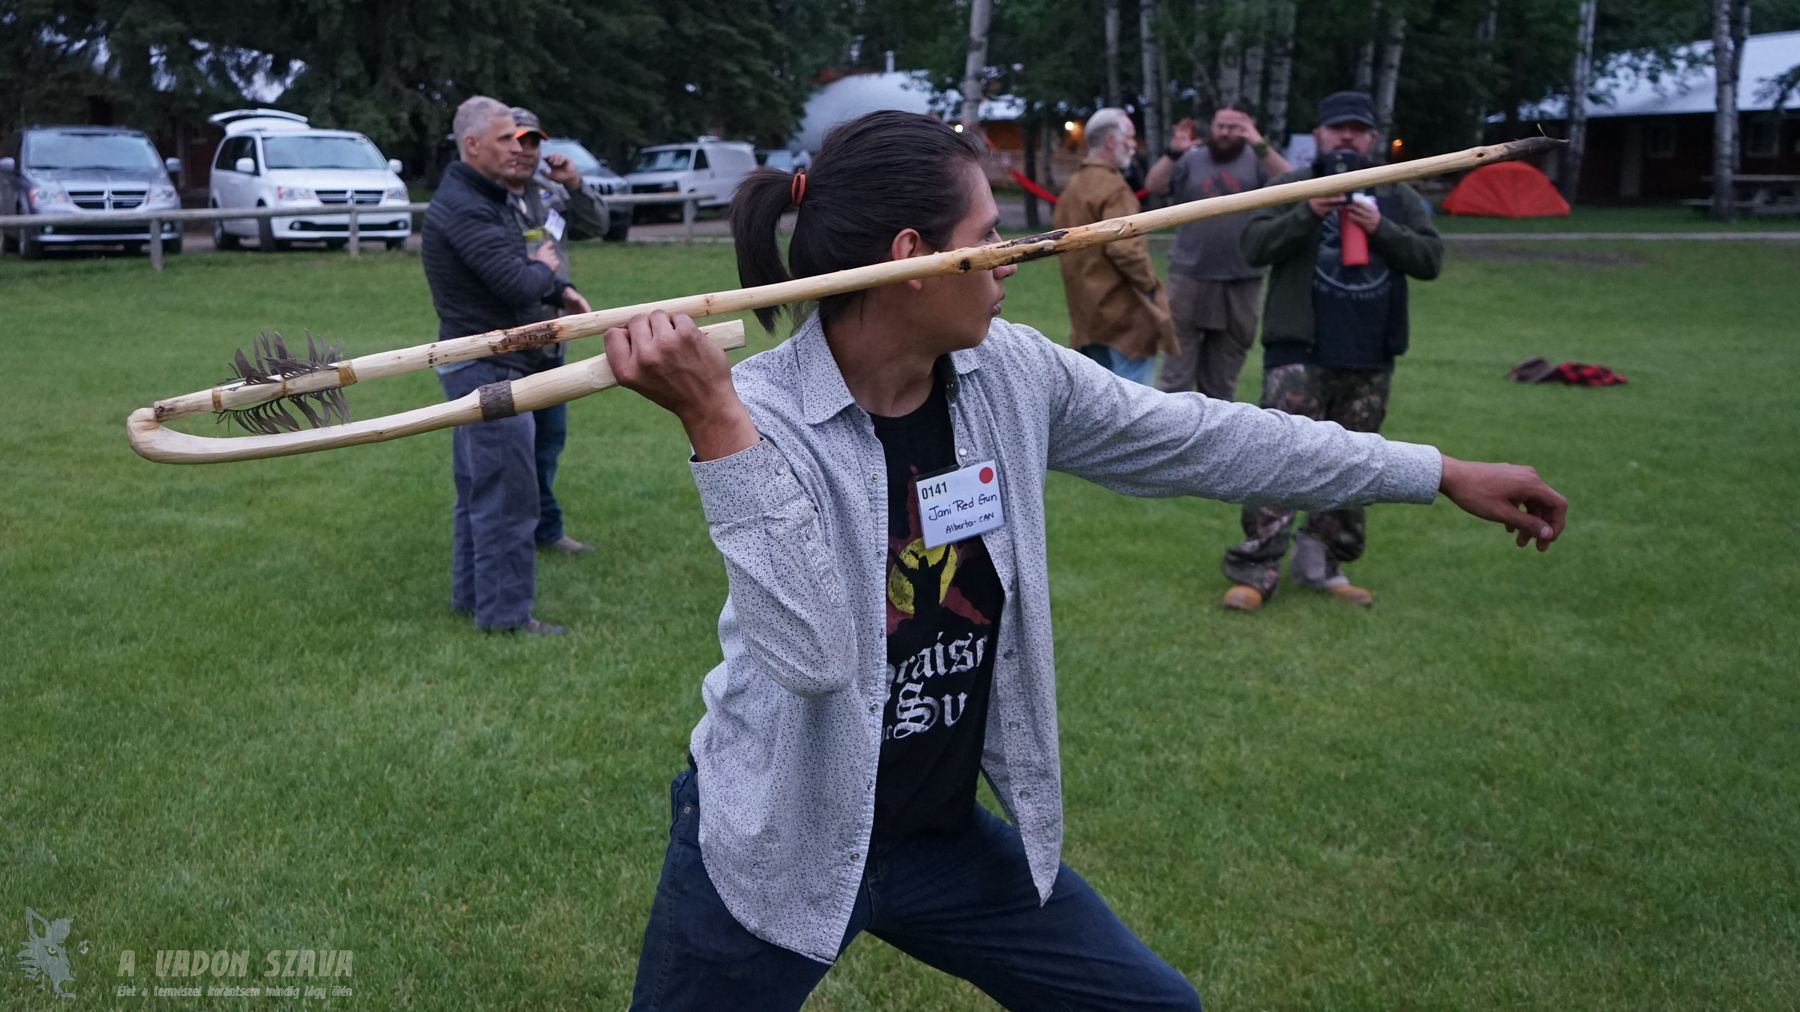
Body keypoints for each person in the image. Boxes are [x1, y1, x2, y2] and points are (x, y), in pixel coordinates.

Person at [601, 110, 1565, 1009]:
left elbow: (1206, 438)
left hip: (935, 836)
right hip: (780, 838)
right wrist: (714, 422)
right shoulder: (760, 415)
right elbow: (814, 659)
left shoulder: (1010, 372)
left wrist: (1435, 471)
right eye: (994, 234)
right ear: (917, 260)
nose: (1018, 259)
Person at [1221, 90, 1445, 613]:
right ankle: (1257, 568)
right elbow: (1252, 248)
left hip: (1368, 355)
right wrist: (1306, 213)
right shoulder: (1291, 186)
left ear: (1371, 138)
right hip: (1299, 351)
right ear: (1318, 135)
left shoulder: (1395, 193)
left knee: (1355, 464)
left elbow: (1431, 257)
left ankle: (1324, 564)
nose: (1348, 137)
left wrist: (1381, 229)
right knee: (1277, 457)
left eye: (1358, 130)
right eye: (1338, 128)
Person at [421, 95, 586, 635]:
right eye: (503, 139)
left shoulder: (483, 196)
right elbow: (516, 280)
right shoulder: (467, 204)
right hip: (485, 366)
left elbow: (516, 270)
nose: (516, 147)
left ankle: (471, 598)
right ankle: (505, 617)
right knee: (506, 497)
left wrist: (557, 287)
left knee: (480, 488)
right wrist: (544, 269)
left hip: (484, 361)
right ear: (471, 145)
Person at [500, 106, 601, 556]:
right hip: (505, 342)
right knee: (513, 447)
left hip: (551, 340)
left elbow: (598, 226)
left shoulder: (548, 194)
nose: (525, 151)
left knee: (548, 441)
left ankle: (541, 528)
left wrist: (575, 185)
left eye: (533, 141)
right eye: (516, 140)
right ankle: (519, 530)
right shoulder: (489, 202)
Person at [1144, 104, 1292, 401]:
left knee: (1222, 382)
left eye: (1235, 126)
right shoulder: (1192, 159)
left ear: (1249, 129)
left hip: (1242, 279)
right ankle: (1169, 441)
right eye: (1220, 125)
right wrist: (1173, 152)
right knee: (1175, 378)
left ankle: (1215, 445)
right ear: (1211, 127)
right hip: (1189, 276)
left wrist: (1259, 143)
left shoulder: (1257, 161)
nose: (1225, 132)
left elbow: (1294, 184)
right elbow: (1154, 185)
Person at [1052, 107, 1176, 384]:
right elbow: (1125, 249)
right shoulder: (1114, 188)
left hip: (1087, 316)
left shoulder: (1074, 186)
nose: (1134, 144)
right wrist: (1149, 287)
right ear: (1110, 141)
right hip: (1123, 319)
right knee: (1137, 412)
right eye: (1129, 137)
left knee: (1098, 410)